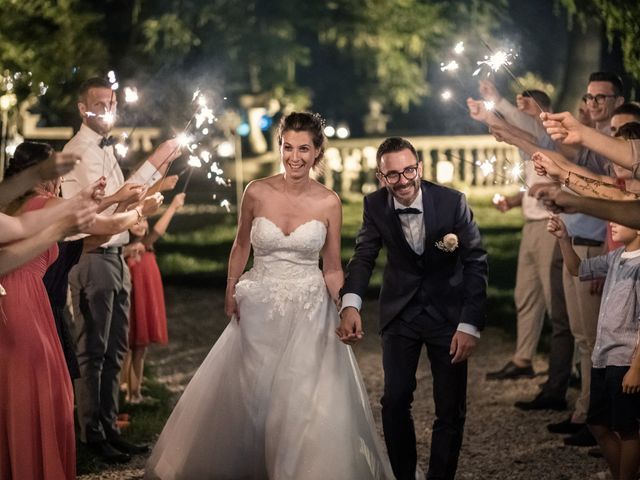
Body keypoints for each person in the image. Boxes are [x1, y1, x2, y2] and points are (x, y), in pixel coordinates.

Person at [145, 112, 394, 479]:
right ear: (280, 146)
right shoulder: (256, 191)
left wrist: (345, 308)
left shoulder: (329, 203)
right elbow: (241, 243)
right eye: (288, 147)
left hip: (310, 310)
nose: (295, 157)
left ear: (317, 152)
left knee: (300, 401)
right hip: (259, 306)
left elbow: (332, 266)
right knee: (252, 398)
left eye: (304, 149)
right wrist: (231, 287)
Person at [338, 137, 488, 480]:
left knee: (450, 409)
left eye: (409, 170)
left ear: (419, 167)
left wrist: (470, 324)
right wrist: (351, 303)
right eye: (393, 175)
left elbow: (476, 261)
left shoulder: (452, 202)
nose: (403, 180)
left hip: (448, 316)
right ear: (381, 175)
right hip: (400, 313)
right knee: (393, 401)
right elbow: (363, 257)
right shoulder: (374, 205)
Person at [61, 76, 180, 463]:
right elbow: (81, 215)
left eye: (111, 103)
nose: (107, 109)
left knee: (115, 352)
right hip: (92, 259)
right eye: (98, 103)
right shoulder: (76, 152)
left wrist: (159, 161)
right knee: (92, 352)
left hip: (118, 258)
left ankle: (110, 427)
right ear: (82, 109)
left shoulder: (106, 148)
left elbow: (125, 192)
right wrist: (127, 205)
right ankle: (90, 432)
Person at [0, 143, 99, 480]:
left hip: (30, 300)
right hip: (22, 303)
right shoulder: (40, 202)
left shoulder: (15, 205)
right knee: (40, 390)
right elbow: (98, 224)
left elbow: (24, 233)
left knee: (31, 389)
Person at [471, 83, 572, 402]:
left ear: (540, 111)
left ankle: (575, 369)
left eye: (524, 106)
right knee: (524, 294)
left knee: (559, 302)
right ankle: (523, 359)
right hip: (531, 224)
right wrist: (514, 201)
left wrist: (496, 100)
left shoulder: (548, 137)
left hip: (551, 226)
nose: (518, 112)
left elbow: (521, 122)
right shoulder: (528, 148)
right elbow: (533, 187)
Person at [547, 215, 640, 480]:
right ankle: (622, 473)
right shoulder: (615, 257)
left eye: (621, 219)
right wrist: (564, 239)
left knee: (628, 427)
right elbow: (578, 269)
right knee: (597, 423)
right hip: (602, 357)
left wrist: (636, 368)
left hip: (625, 359)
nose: (612, 223)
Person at [121, 192, 185, 404]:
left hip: (145, 300)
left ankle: (130, 388)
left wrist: (174, 206)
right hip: (134, 302)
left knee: (139, 348)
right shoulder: (125, 249)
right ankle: (132, 394)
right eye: (135, 220)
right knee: (134, 347)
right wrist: (129, 250)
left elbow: (159, 230)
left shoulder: (146, 244)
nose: (140, 224)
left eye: (143, 220)